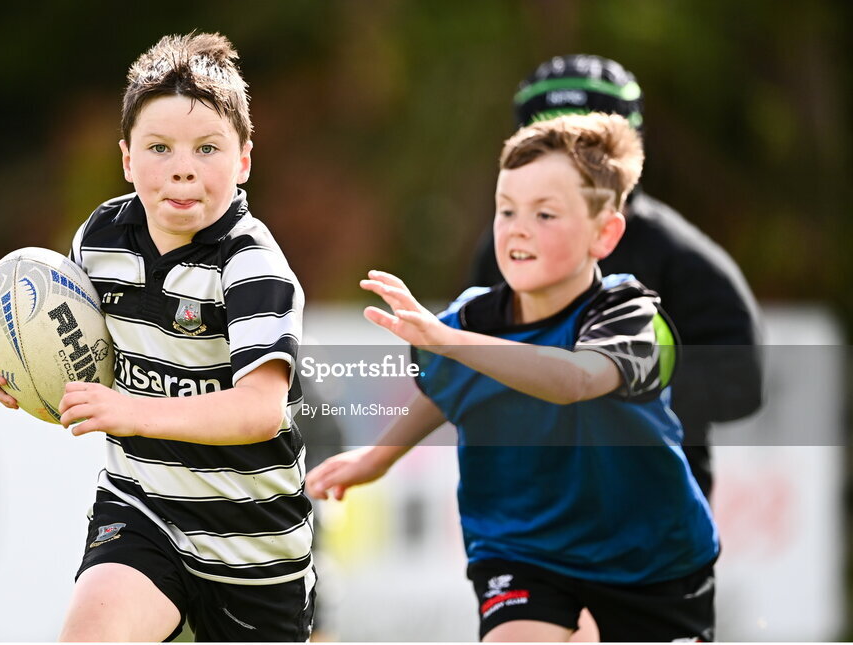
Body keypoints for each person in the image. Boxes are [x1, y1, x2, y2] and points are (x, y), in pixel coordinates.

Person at [307, 113, 718, 642]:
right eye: (506, 210)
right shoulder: (472, 320)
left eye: (546, 214)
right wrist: (377, 457)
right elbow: (450, 387)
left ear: (605, 232)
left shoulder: (630, 317)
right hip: (523, 548)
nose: (518, 227)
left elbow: (572, 380)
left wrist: (448, 341)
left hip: (652, 559)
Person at [0, 32, 314, 642]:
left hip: (255, 550)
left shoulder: (252, 265)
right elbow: (64, 342)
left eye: (207, 148)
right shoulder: (100, 238)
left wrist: (131, 409)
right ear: (127, 159)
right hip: (143, 510)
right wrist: (0, 356)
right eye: (159, 148)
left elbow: (260, 411)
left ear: (244, 160)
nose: (182, 166)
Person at [469, 54, 763, 500]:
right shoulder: (505, 249)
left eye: (587, 140)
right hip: (535, 510)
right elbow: (466, 368)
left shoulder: (678, 256)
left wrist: (613, 382)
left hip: (653, 516)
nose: (566, 156)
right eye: (547, 137)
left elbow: (741, 382)